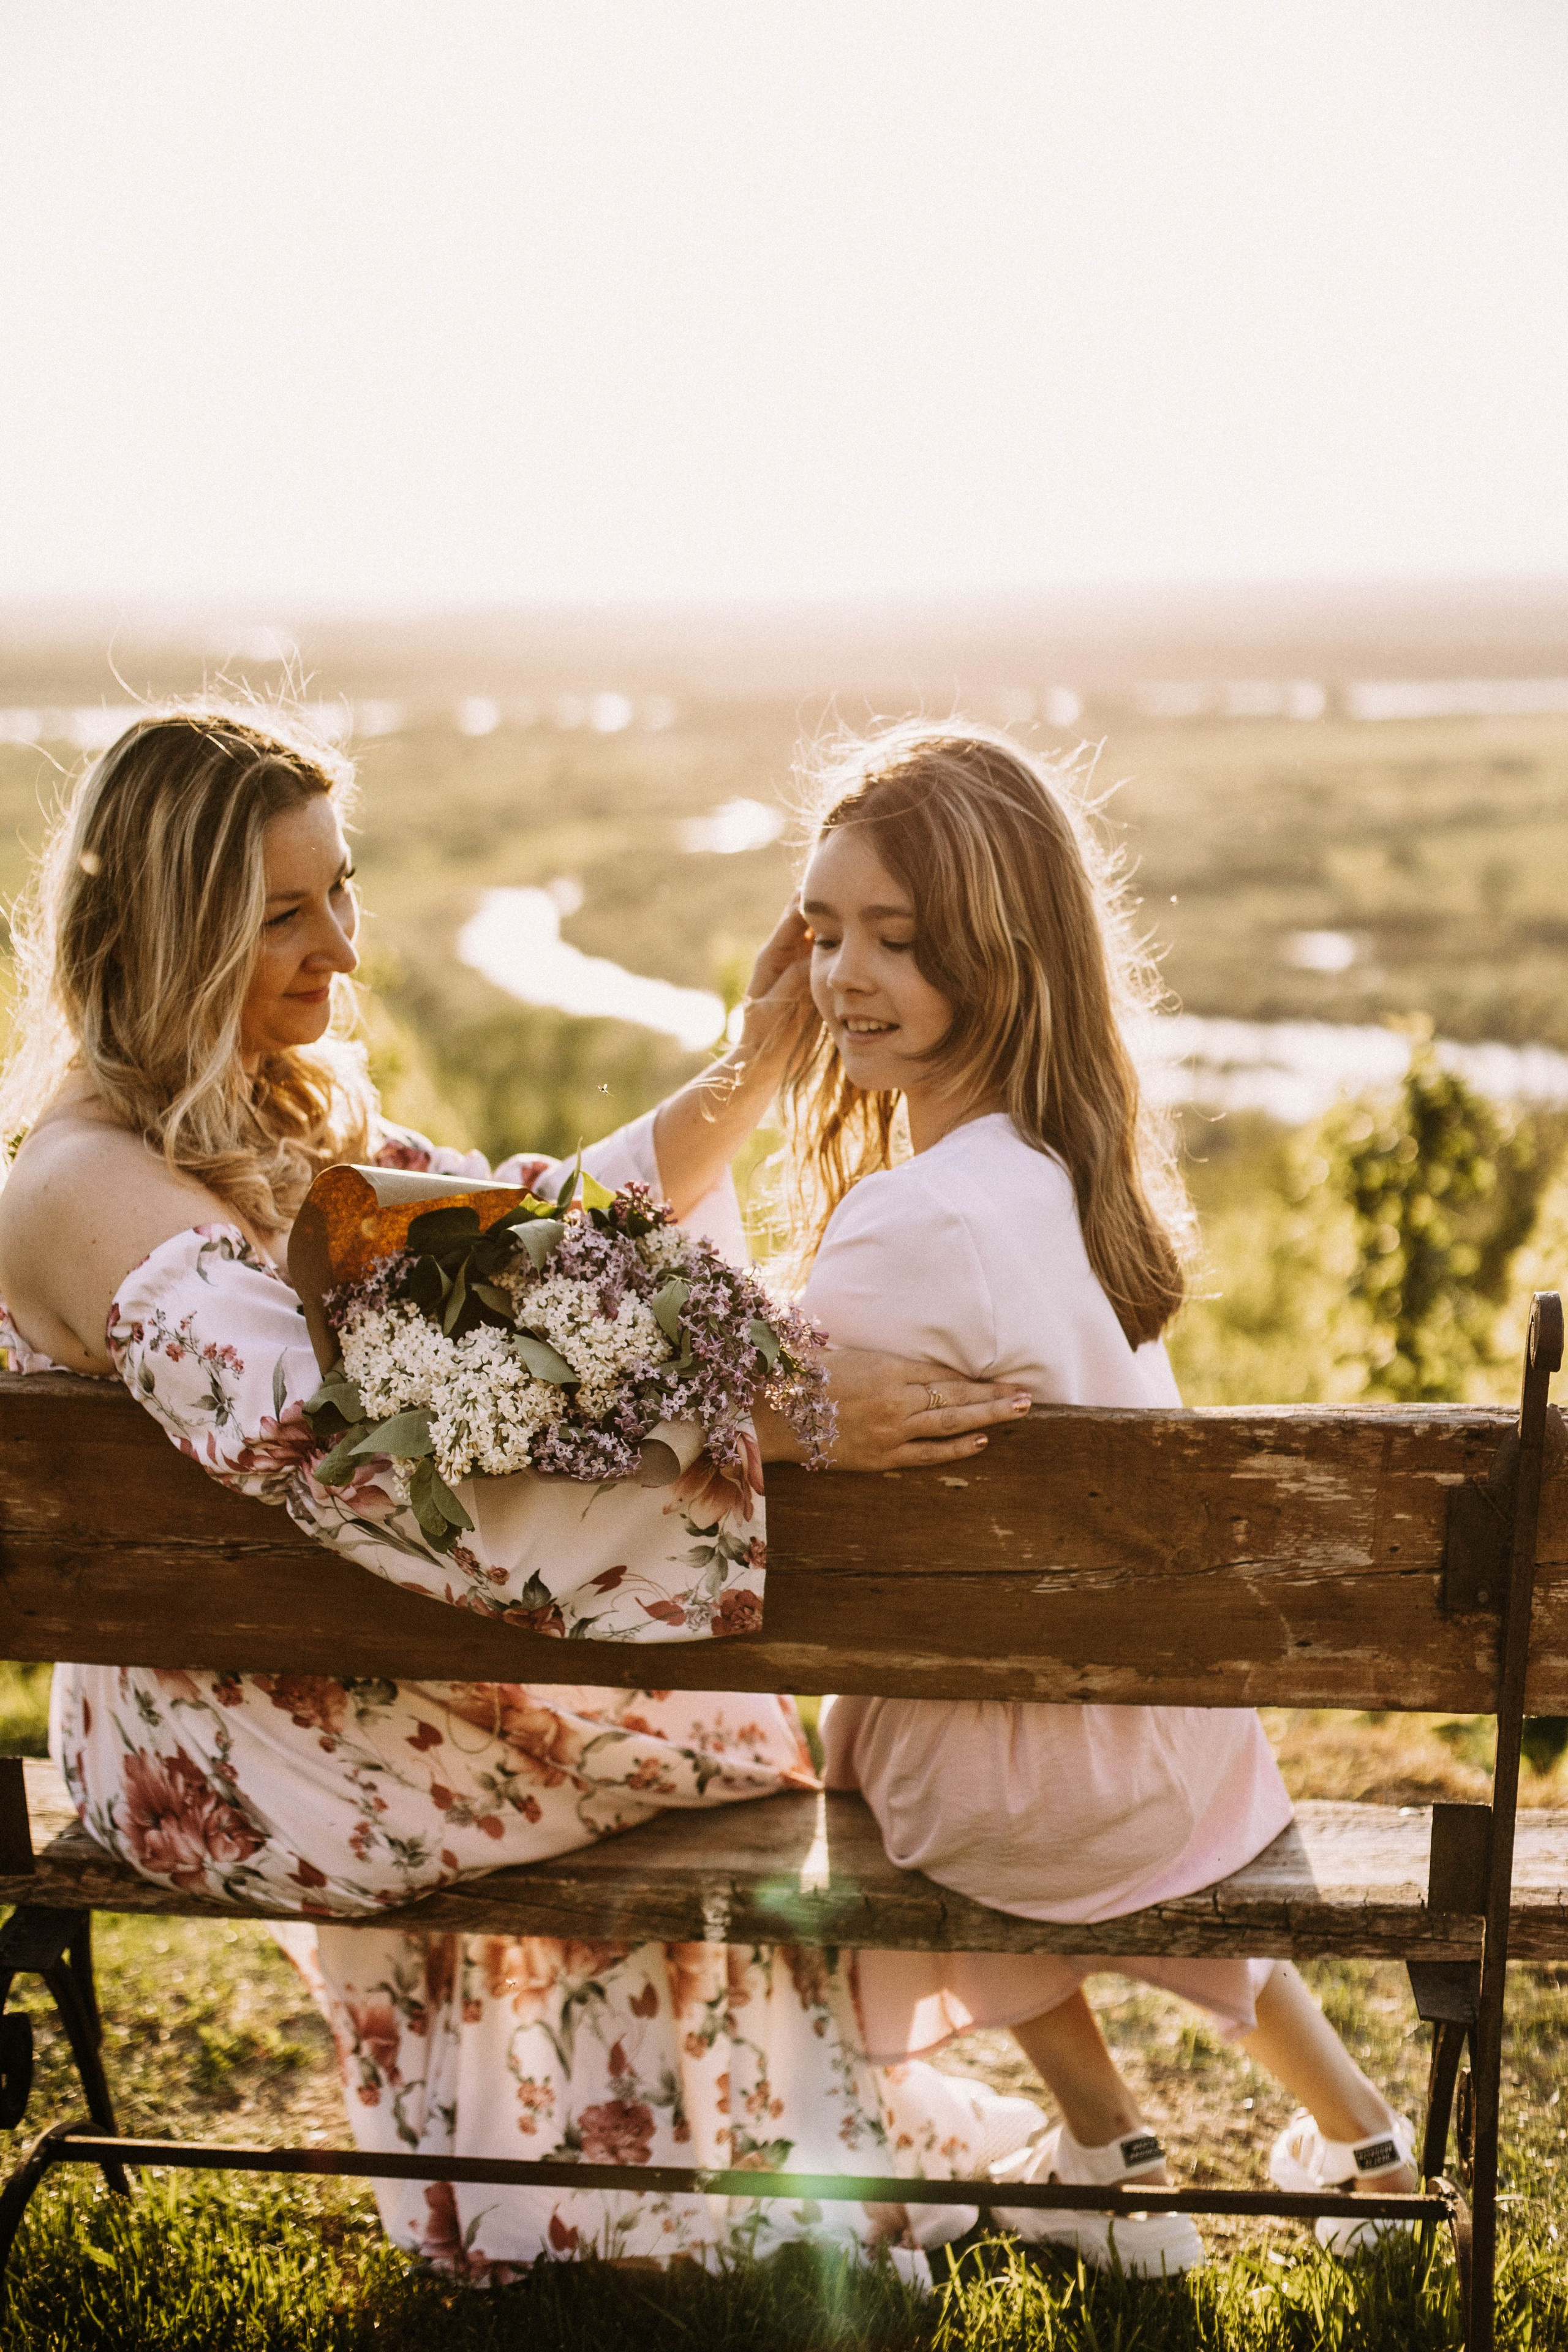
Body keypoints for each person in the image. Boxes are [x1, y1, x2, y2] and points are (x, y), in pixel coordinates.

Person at [0, 705, 1044, 2280]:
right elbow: (337, 1461)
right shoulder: (83, 1186)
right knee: (699, 1738)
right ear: (155, 927)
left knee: (700, 1728)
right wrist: (776, 1422)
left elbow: (522, 1244)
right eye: (281, 914)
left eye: (339, 892)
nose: (340, 950)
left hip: (316, 1644)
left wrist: (746, 1069)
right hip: (227, 1719)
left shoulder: (268, 1109)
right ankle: (667, 2168)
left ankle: (694, 2147)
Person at [778, 723, 1417, 2272]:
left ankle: (1103, 2140)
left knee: (871, 1749)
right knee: (1021, 1720)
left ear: (995, 959)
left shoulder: (905, 1221)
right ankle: (1364, 2143)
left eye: (893, 940)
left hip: (997, 1809)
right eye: (819, 933)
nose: (839, 977)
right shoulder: (1075, 1172)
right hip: (1179, 1756)